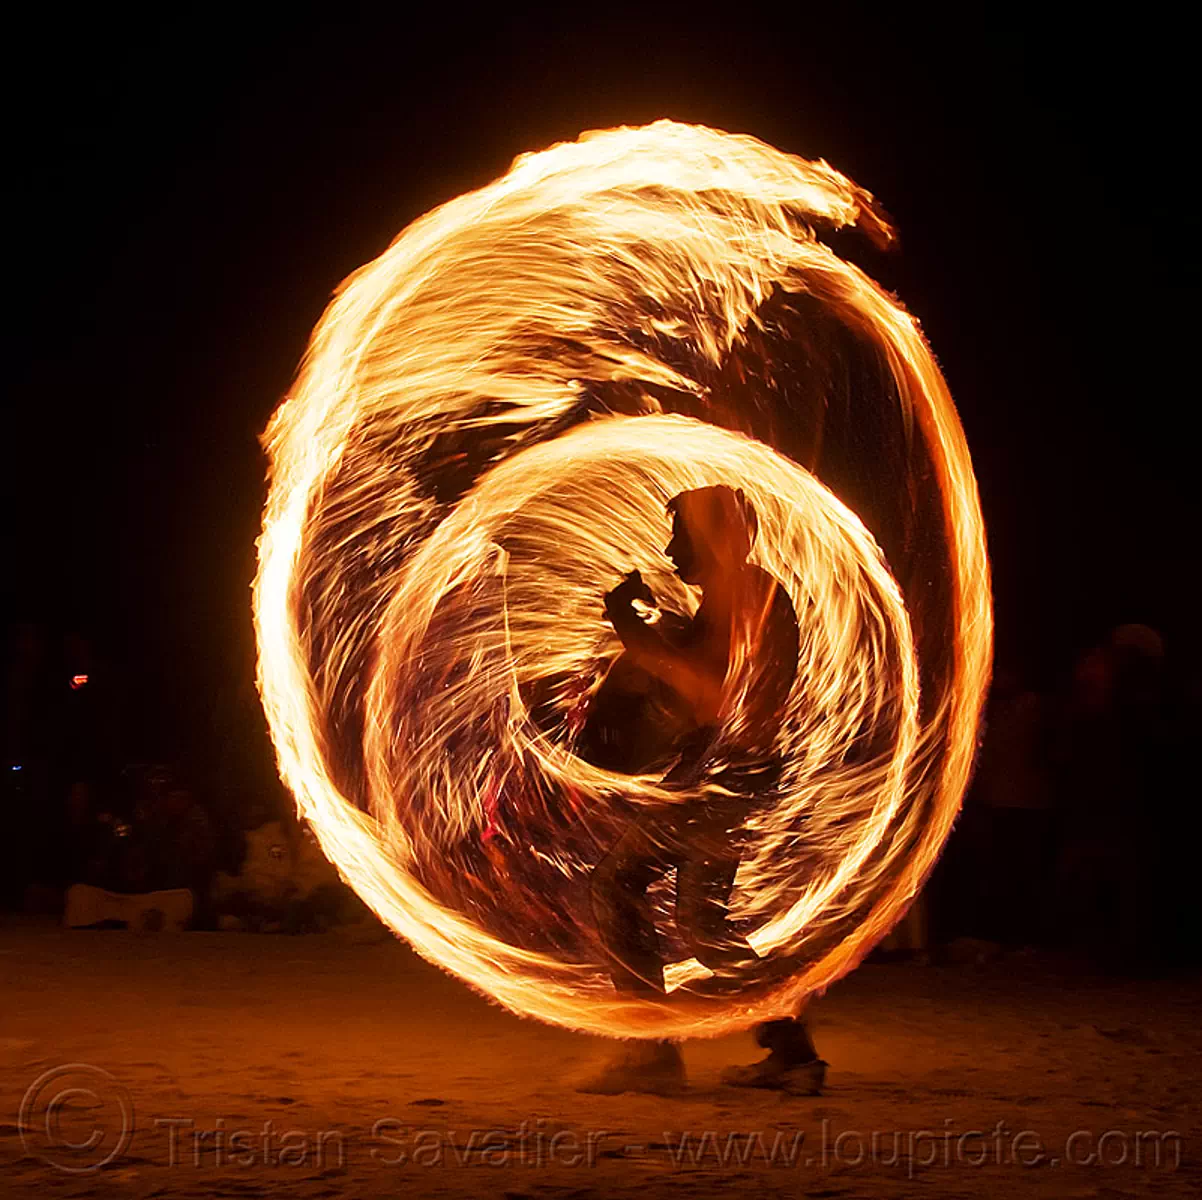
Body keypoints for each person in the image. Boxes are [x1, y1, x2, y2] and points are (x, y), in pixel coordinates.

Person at [578, 485, 824, 1094]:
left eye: (681, 536)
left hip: (726, 773)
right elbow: (682, 679)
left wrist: (637, 636)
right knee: (702, 924)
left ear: (712, 537)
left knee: (618, 884)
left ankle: (651, 1050)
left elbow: (712, 692)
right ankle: (793, 1056)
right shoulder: (732, 600)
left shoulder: (752, 595)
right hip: (727, 771)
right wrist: (640, 637)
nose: (669, 550)